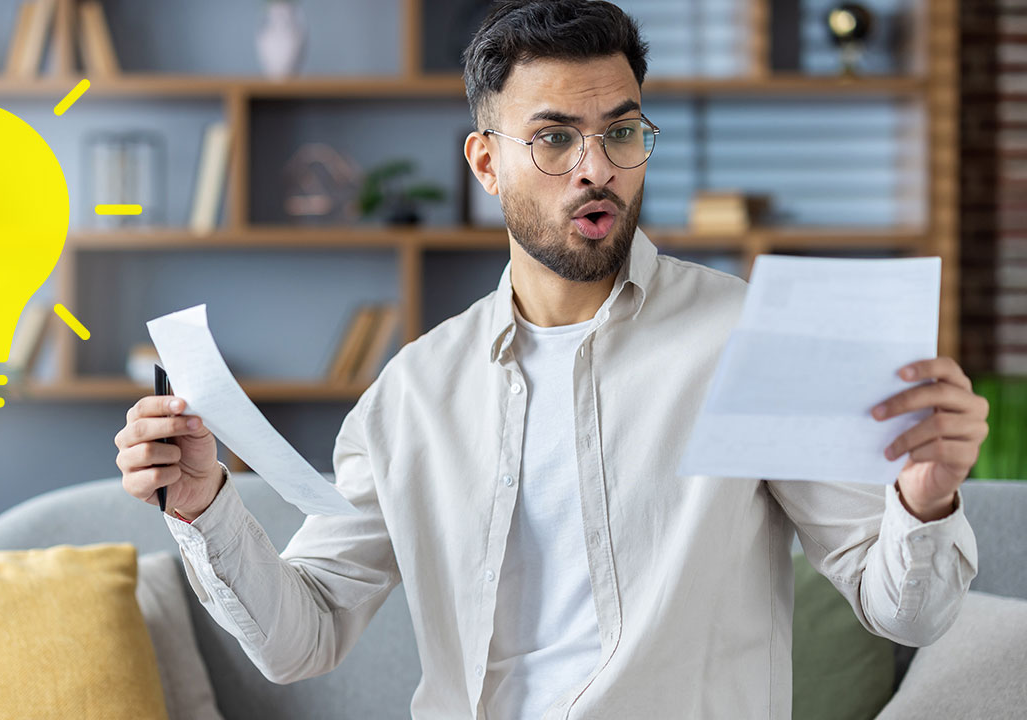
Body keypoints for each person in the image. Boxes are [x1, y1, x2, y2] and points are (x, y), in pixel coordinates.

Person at [113, 2, 986, 717]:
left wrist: (926, 492)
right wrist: (203, 505)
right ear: (485, 162)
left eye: (622, 133)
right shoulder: (415, 393)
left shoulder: (749, 339)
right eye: (556, 138)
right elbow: (301, 638)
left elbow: (905, 607)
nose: (595, 169)